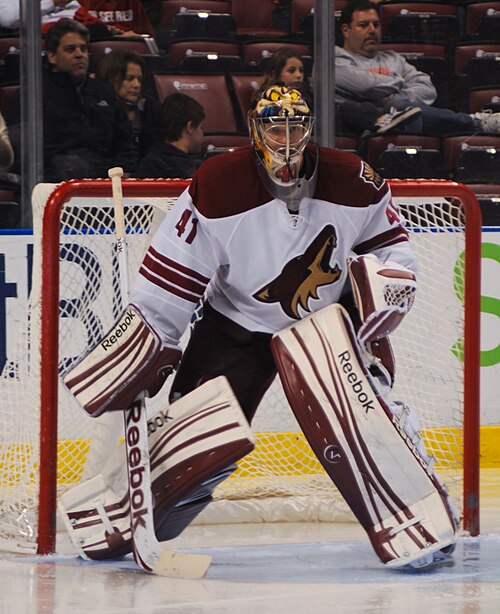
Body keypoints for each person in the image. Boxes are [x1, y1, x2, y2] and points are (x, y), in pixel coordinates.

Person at [62, 85, 458, 570]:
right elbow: (172, 272)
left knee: (367, 417)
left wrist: (390, 286)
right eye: (275, 125)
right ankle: (117, 516)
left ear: (310, 128)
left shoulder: (355, 178)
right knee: (195, 436)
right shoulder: (217, 182)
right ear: (255, 128)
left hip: (325, 325)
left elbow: (393, 249)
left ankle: (415, 515)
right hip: (236, 324)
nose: (286, 137)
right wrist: (150, 341)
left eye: (296, 125)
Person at [336, 0, 500, 135]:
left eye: (376, 24)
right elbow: (366, 85)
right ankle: (476, 122)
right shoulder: (333, 60)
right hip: (355, 130)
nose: (372, 30)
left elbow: (427, 88)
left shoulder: (393, 58)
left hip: (403, 128)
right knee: (401, 108)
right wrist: (399, 86)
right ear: (346, 30)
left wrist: (392, 102)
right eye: (363, 25)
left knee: (405, 110)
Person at [9, 19, 127, 181]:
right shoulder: (32, 95)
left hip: (104, 183)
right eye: (70, 49)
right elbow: (21, 154)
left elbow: (124, 143)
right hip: (53, 183)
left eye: (83, 49)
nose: (80, 54)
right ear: (52, 56)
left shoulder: (103, 91)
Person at [256, 46, 421, 136]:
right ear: (274, 74)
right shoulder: (266, 98)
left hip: (325, 127)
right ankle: (382, 120)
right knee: (346, 109)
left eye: (301, 70)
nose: (299, 75)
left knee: (348, 108)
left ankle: (383, 123)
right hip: (295, 131)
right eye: (291, 71)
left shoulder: (308, 93)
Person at [95, 49, 162, 175]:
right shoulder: (98, 110)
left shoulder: (148, 108)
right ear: (110, 79)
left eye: (139, 79)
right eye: (129, 79)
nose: (136, 85)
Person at [135, 92, 205, 179]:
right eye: (201, 127)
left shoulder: (152, 161)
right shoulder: (154, 166)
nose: (202, 134)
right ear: (190, 127)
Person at [79, 0, 155, 37]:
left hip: (128, 51)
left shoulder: (132, 2)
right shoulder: (81, 2)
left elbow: (149, 37)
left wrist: (136, 37)